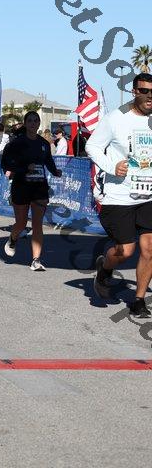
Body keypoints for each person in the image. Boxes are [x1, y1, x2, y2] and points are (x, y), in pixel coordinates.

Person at [86, 73, 152, 318]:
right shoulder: (116, 118)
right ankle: (105, 268)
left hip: (148, 195)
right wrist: (110, 166)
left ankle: (138, 300)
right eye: (144, 91)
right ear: (134, 92)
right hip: (119, 196)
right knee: (125, 250)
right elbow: (92, 146)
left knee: (149, 248)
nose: (149, 96)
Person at [1, 111, 62, 271]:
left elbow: (48, 161)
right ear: (25, 123)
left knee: (37, 224)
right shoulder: (17, 143)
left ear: (39, 123)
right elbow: (6, 163)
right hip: (21, 186)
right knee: (21, 223)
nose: (33, 123)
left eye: (36, 121)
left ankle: (36, 260)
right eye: (30, 121)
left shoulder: (44, 143)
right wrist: (23, 168)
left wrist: (55, 171)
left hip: (39, 187)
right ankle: (13, 238)